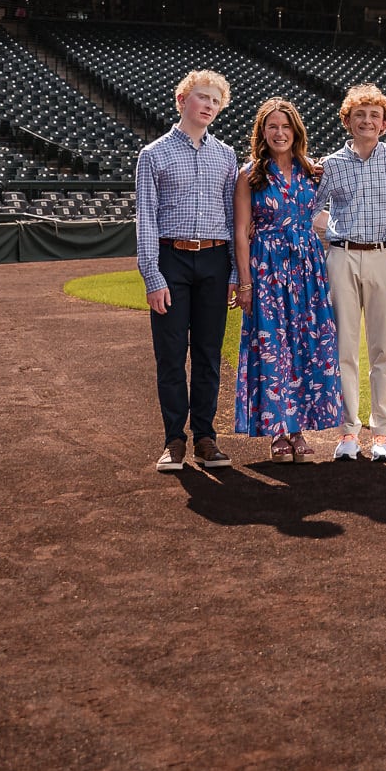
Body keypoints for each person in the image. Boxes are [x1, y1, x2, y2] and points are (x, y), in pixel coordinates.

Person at [136, 69, 239, 472]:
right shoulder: (154, 154)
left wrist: (233, 272)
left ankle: (205, 438)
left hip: (215, 260)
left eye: (215, 100)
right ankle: (174, 440)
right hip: (171, 259)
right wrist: (152, 275)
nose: (209, 106)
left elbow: (232, 219)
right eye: (202, 98)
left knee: (209, 355)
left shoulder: (226, 155)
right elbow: (145, 217)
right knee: (171, 355)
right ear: (183, 101)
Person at [232, 98, 342, 463]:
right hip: (266, 268)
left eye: (285, 126)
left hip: (308, 269)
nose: (279, 133)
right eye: (272, 127)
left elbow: (329, 214)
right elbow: (240, 232)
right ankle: (278, 432)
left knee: (305, 347)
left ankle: (299, 429)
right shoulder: (249, 174)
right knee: (272, 347)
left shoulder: (314, 171)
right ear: (262, 133)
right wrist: (245, 283)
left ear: (296, 131)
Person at [313, 83, 386, 462]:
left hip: (385, 255)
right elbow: (312, 210)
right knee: (344, 349)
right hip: (343, 256)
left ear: (385, 123)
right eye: (359, 115)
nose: (367, 121)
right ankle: (348, 433)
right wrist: (327, 236)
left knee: (382, 348)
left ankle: (382, 434)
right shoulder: (331, 164)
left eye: (374, 115)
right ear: (347, 121)